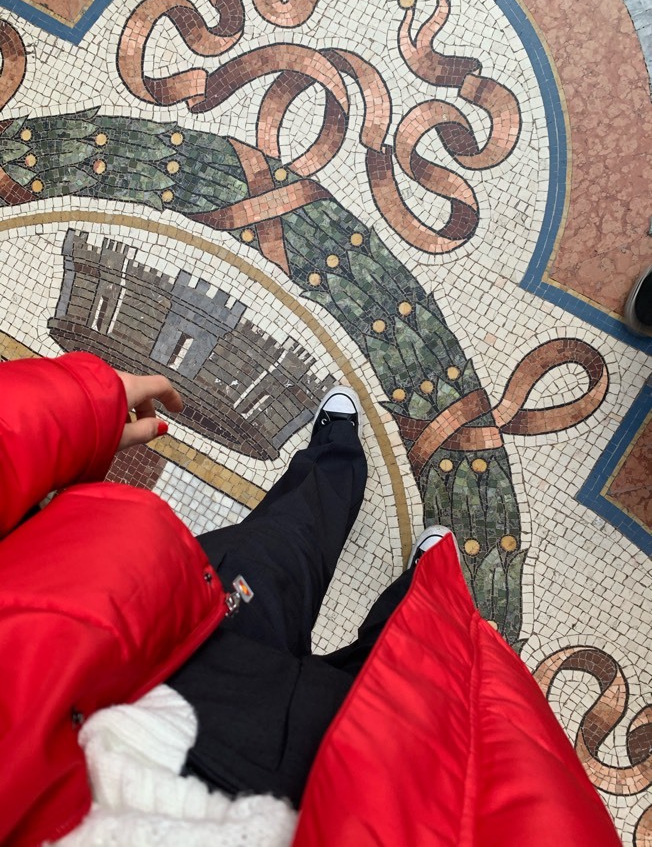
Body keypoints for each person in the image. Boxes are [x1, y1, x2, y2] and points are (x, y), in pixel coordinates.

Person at [0, 352, 621, 846]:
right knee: (424, 655)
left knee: (283, 541)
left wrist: (78, 405)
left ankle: (335, 452)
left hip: (146, 677)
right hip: (379, 800)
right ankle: (427, 581)